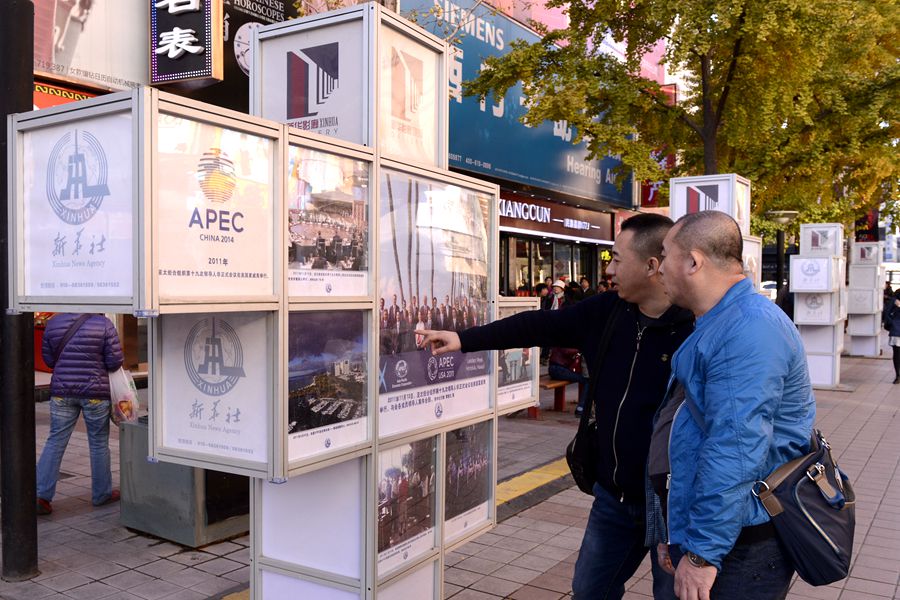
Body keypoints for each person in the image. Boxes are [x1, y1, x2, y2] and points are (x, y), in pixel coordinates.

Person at [418, 213, 694, 600]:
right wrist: (463, 339)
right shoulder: (606, 311)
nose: (610, 269)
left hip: (675, 504)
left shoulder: (697, 326)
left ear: (651, 266)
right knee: (588, 591)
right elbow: (535, 325)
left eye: (616, 259)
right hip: (614, 497)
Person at [657, 211, 816, 600]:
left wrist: (701, 554)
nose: (658, 267)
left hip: (740, 547)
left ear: (693, 262)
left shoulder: (748, 328)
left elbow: (736, 448)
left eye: (664, 255)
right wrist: (675, 533)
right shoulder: (722, 320)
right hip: (725, 535)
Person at [36, 312, 124, 514]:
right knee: (99, 442)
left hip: (62, 391)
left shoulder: (54, 322)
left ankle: (41, 495)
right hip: (95, 393)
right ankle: (101, 493)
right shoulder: (103, 323)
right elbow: (114, 362)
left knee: (55, 440)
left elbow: (49, 360)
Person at [884, 289, 900, 384]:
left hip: (896, 330)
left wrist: (891, 324)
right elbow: (886, 313)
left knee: (897, 354)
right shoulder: (895, 299)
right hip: (896, 330)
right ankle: (898, 375)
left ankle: (898, 375)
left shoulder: (894, 299)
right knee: (897, 354)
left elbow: (886, 313)